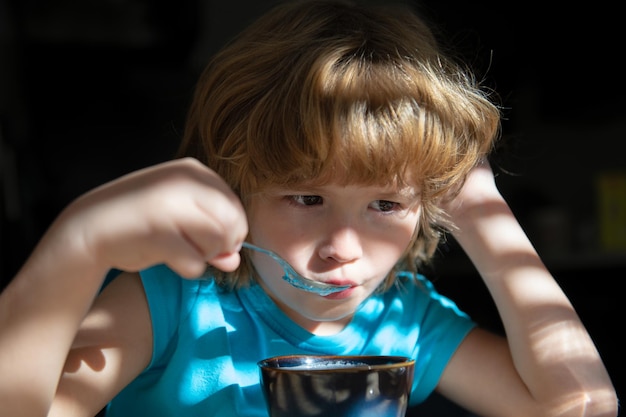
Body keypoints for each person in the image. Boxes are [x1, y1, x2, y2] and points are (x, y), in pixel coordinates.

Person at [0, 0, 618, 416]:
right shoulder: (167, 304)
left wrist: (485, 215)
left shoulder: (406, 322)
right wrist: (77, 247)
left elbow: (584, 406)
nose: (342, 247)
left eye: (385, 204)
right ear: (232, 186)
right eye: (307, 198)